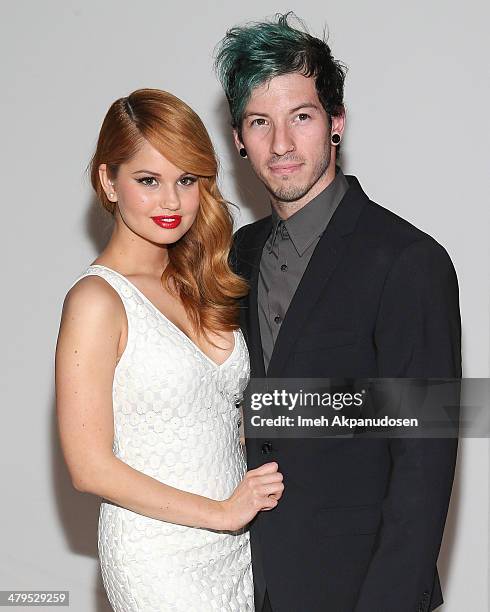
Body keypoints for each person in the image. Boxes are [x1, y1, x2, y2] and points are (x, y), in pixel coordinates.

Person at [215, 13, 461, 612]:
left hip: (362, 591)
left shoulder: (409, 261)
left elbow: (423, 468)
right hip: (250, 585)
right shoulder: (237, 257)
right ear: (239, 138)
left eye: (301, 116)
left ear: (336, 125)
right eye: (259, 122)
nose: (280, 144)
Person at [55, 88, 284, 611]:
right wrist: (220, 512)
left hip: (237, 550)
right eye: (148, 180)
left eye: (186, 180)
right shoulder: (96, 300)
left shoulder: (202, 281)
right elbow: (88, 465)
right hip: (158, 558)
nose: (172, 202)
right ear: (107, 181)